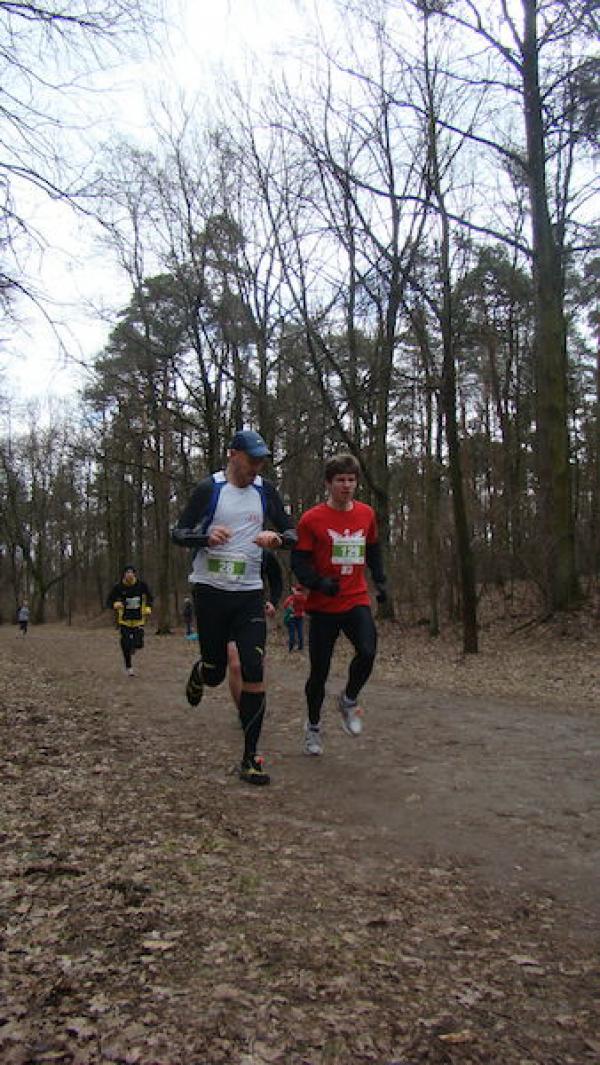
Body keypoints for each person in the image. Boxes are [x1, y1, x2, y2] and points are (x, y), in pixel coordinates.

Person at [172, 429, 297, 786]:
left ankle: (250, 757)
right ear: (232, 455)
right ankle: (201, 672)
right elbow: (178, 532)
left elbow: (293, 533)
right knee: (216, 673)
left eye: (261, 461)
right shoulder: (209, 489)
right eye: (251, 459)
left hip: (249, 594)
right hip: (210, 592)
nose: (256, 466)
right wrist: (205, 537)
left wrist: (278, 539)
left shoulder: (265, 491)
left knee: (253, 670)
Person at [291, 452, 387, 757]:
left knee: (368, 651)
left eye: (351, 480)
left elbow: (373, 549)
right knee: (319, 673)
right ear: (328, 484)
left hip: (355, 598)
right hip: (323, 606)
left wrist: (380, 580)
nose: (346, 486)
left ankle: (348, 699)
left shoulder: (366, 514)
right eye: (340, 480)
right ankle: (313, 727)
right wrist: (318, 583)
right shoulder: (311, 519)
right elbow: (299, 562)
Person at [226, 549, 283, 709]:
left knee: (254, 665)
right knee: (235, 664)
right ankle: (243, 711)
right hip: (226, 611)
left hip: (253, 611)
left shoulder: (262, 552)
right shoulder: (221, 548)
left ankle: (251, 710)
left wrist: (273, 601)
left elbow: (276, 578)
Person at [106, 565, 153, 676]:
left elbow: (150, 597)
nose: (129, 575)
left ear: (134, 574)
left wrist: (148, 607)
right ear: (124, 575)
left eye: (131, 572)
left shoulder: (141, 585)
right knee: (125, 643)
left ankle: (133, 647)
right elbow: (108, 601)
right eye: (127, 573)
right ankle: (129, 666)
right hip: (124, 620)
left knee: (139, 644)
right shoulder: (118, 587)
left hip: (138, 619)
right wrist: (115, 604)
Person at [282, 584, 307, 652]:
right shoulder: (304, 598)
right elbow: (306, 607)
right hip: (299, 617)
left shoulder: (291, 598)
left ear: (294, 589)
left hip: (292, 617)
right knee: (300, 633)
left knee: (292, 633)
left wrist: (290, 609)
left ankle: (291, 648)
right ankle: (300, 647)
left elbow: (285, 605)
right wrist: (303, 612)